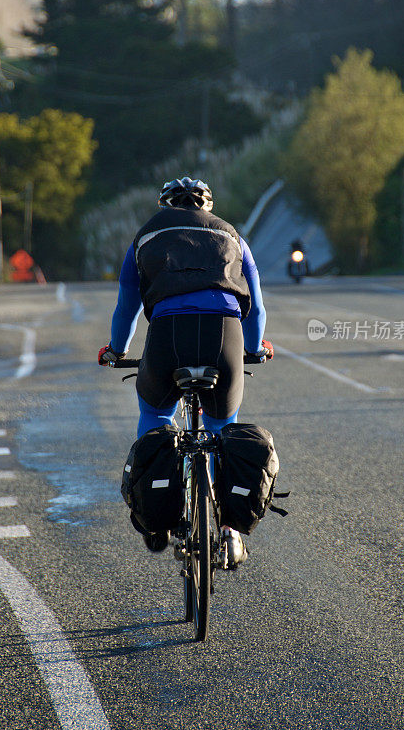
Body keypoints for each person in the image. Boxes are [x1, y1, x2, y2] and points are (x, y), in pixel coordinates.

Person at [98, 176, 273, 567]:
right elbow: (256, 308)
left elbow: (127, 307)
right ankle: (230, 530)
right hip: (223, 333)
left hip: (167, 336)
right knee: (222, 426)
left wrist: (116, 351)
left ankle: (155, 515)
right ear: (206, 207)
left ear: (164, 207)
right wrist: (255, 348)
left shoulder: (145, 237)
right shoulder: (233, 237)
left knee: (156, 416)